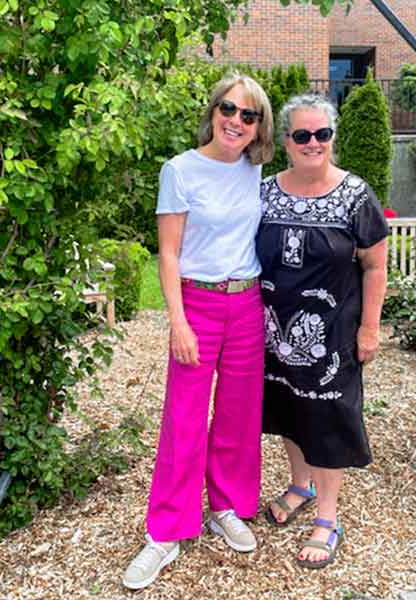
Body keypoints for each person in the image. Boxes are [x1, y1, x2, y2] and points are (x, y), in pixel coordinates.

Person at [122, 73, 274, 590]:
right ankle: (166, 532)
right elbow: (167, 253)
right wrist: (178, 320)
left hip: (247, 303)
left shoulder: (257, 172)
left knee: (238, 414)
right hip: (199, 304)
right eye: (229, 109)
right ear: (213, 112)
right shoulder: (180, 170)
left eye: (248, 115)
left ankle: (226, 506)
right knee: (184, 417)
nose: (236, 121)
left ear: (258, 128)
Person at [256, 94, 388, 569]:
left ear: (332, 137)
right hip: (274, 329)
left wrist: (370, 328)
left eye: (323, 134)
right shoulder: (264, 192)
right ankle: (299, 484)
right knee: (291, 410)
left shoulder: (355, 195)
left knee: (329, 418)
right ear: (286, 141)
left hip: (333, 331)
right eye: (302, 135)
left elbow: (375, 266)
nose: (314, 143)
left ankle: (328, 517)